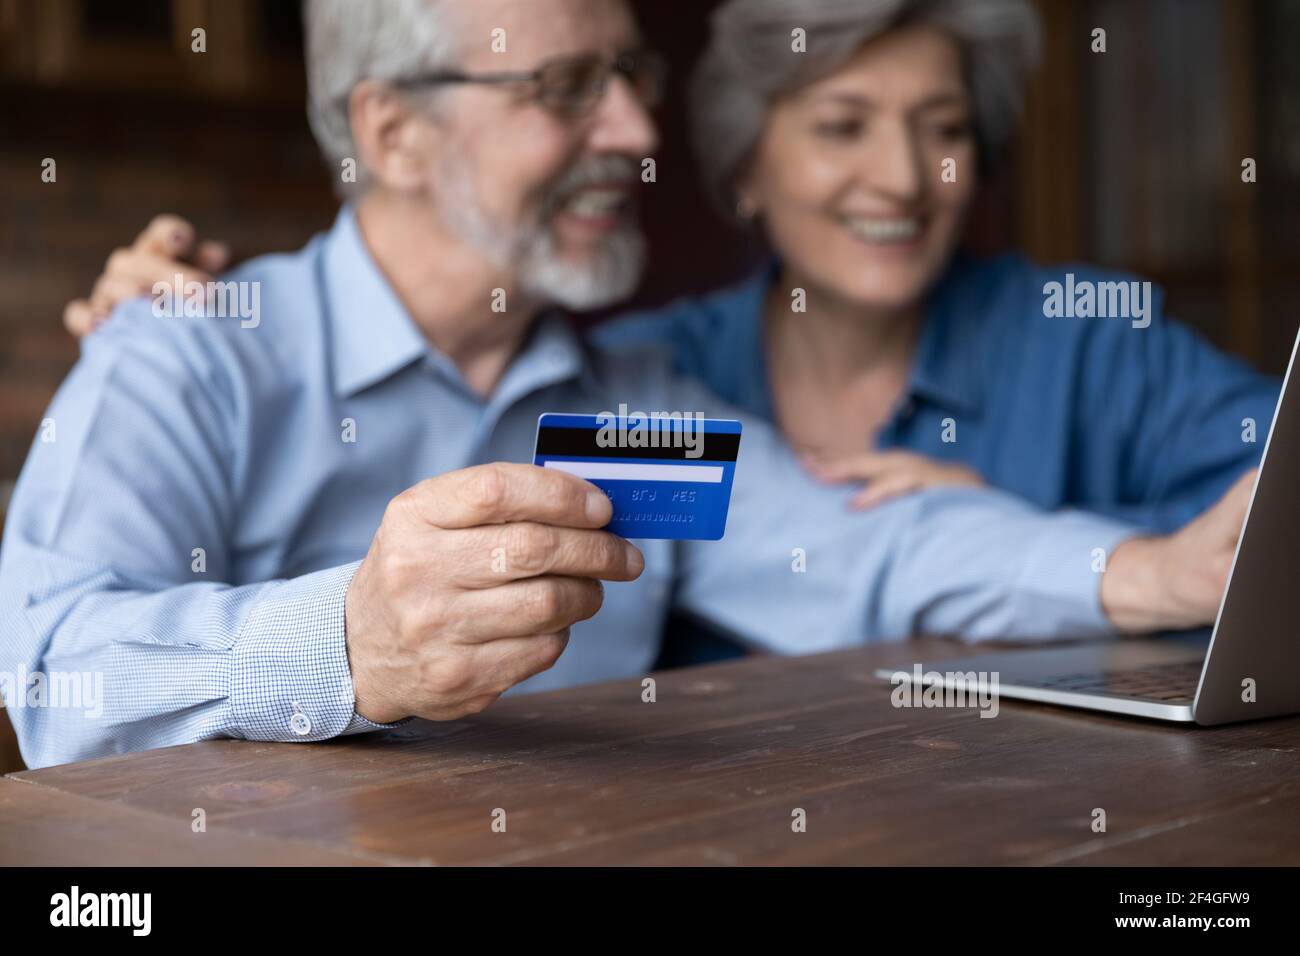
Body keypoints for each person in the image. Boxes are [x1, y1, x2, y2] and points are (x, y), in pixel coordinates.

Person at [4, 0, 1246, 771]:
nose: (637, 136)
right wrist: (348, 643)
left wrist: (1144, 572)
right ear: (390, 132)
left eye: (630, 77)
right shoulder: (186, 345)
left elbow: (863, 549)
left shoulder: (635, 403)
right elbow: (54, 674)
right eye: (563, 90)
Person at [76, 0, 1278, 529]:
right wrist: (174, 343)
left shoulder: (1083, 336)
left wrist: (1078, 545)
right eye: (843, 124)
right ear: (745, 168)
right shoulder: (649, 374)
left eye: (946, 127)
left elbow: (1265, 512)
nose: (906, 179)